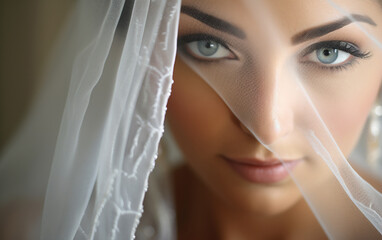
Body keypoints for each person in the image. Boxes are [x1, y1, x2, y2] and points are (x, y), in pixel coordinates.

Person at [1, 0, 382, 239]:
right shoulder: (43, 230)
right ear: (145, 54)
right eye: (208, 47)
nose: (266, 128)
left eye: (330, 52)